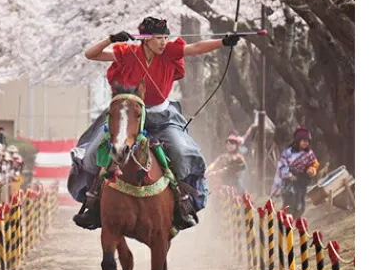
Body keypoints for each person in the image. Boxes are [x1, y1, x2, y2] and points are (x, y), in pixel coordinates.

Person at [68, 16, 241, 231]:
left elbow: (196, 47)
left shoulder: (169, 52)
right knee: (95, 151)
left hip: (161, 117)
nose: (163, 42)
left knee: (182, 151)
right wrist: (110, 39)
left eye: (166, 37)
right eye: (159, 37)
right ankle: (93, 202)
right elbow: (91, 54)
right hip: (127, 114)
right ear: (145, 39)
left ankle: (183, 202)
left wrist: (223, 42)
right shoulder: (128, 53)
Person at [270, 126, 319, 219]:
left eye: (307, 141)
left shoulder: (309, 153)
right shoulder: (288, 152)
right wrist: (289, 175)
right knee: (289, 204)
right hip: (289, 183)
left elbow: (314, 164)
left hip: (302, 182)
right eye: (303, 140)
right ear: (298, 141)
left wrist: (312, 170)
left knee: (301, 207)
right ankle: (285, 224)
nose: (306, 143)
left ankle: (292, 222)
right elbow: (282, 166)